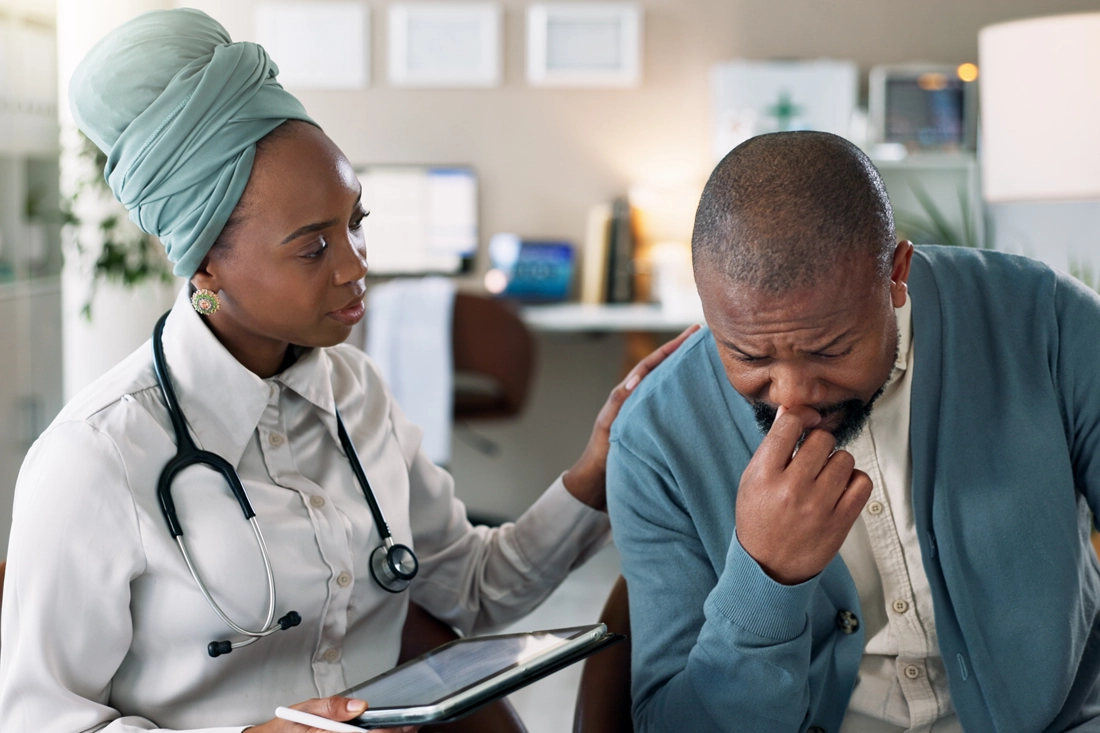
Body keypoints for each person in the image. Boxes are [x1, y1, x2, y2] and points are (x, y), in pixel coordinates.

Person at [0, 9, 695, 733]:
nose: (357, 265)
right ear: (206, 260)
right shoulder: (95, 456)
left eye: (356, 222)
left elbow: (475, 588)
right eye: (312, 247)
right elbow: (39, 722)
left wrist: (595, 467)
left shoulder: (356, 392)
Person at [607, 131, 1100, 733]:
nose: (791, 397)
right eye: (749, 357)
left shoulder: (1046, 323)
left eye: (830, 350)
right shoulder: (653, 441)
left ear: (895, 272)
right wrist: (765, 579)